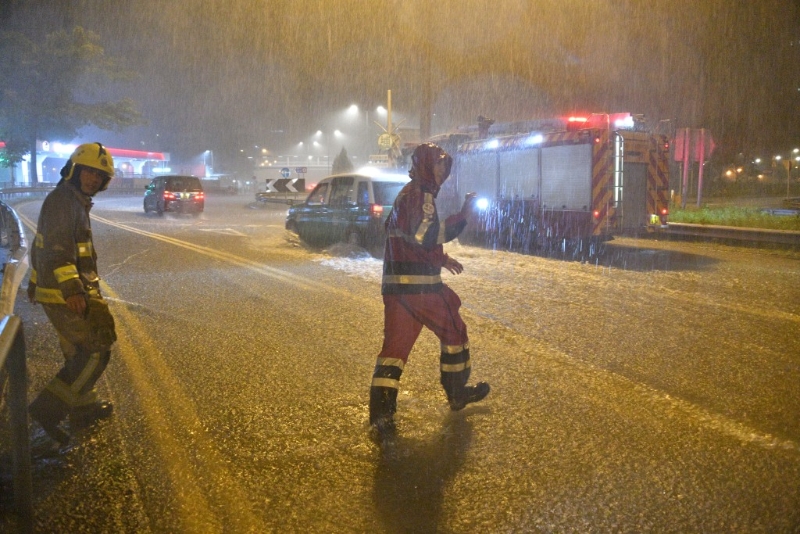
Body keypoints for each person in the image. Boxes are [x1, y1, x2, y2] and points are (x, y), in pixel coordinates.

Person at [369, 143, 490, 434]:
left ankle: (381, 416)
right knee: (455, 333)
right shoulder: (420, 196)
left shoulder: (408, 194)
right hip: (422, 288)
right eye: (437, 164)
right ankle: (457, 393)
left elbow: (411, 241)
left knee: (394, 352)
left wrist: (442, 258)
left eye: (444, 165)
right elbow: (427, 235)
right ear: (425, 165)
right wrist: (463, 214)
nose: (441, 170)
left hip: (398, 288)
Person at [27, 142, 118, 448]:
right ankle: (46, 411)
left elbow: (40, 246)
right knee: (96, 350)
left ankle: (84, 409)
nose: (93, 178)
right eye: (89, 171)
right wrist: (72, 290)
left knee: (77, 353)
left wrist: (34, 282)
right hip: (64, 294)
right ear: (75, 170)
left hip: (56, 291)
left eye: (99, 175)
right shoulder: (64, 201)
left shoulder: (71, 199)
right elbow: (56, 248)